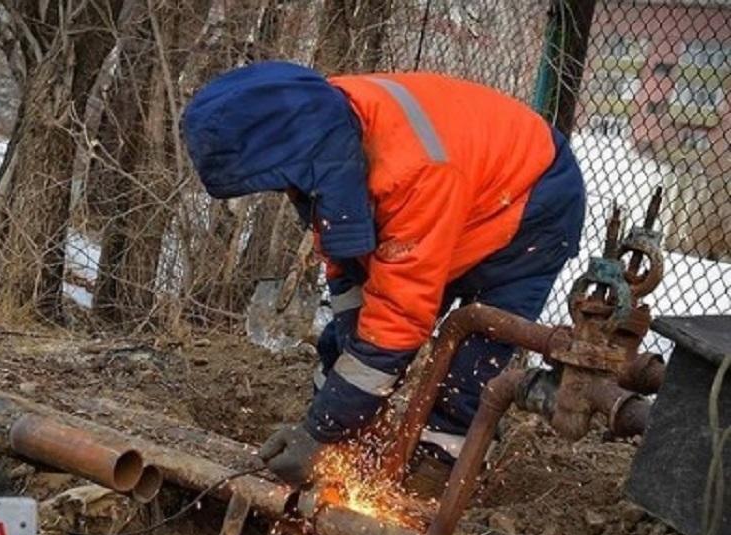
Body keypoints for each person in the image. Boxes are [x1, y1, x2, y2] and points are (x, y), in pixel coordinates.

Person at [180, 61, 586, 488]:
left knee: (467, 367)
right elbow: (348, 269)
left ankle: (434, 477)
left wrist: (319, 433)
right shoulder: (323, 126)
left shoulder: (411, 171)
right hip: (463, 181)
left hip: (532, 201)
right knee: (357, 341)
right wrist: (329, 422)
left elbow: (397, 321)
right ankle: (353, 442)